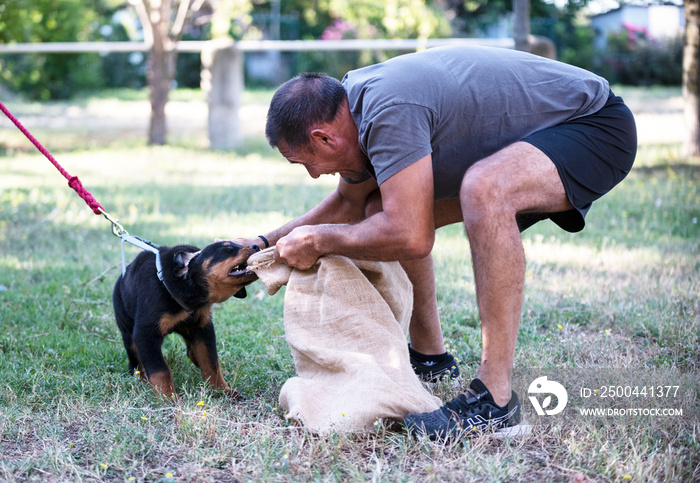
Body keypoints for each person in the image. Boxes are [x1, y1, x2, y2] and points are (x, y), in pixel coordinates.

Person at [232, 45, 637, 439]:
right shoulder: (352, 114)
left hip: (595, 125)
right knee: (381, 209)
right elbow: (348, 203)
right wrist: (262, 245)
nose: (313, 176)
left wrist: (320, 241)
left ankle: (496, 401)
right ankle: (431, 358)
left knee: (485, 188)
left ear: (324, 139)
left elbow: (410, 235)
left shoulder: (387, 111)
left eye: (305, 163)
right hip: (546, 132)